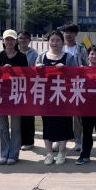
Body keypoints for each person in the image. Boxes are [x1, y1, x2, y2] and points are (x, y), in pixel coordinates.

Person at [35, 30, 77, 165]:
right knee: (47, 124)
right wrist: (37, 68)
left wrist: (66, 69)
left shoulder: (69, 57)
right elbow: (33, 76)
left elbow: (76, 75)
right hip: (46, 97)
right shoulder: (41, 57)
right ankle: (49, 153)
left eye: (58, 40)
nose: (54, 43)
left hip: (63, 96)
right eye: (52, 40)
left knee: (64, 123)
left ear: (62, 42)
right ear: (48, 42)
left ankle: (61, 153)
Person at [0, 29, 28, 165]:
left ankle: (14, 154)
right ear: (3, 41)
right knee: (3, 126)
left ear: (16, 41)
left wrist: (13, 71)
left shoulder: (22, 57)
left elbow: (26, 76)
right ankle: (4, 153)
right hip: (0, 95)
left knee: (15, 127)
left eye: (12, 39)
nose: (9, 42)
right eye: (7, 39)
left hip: (16, 95)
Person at [76, 45, 96, 166]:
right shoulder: (82, 70)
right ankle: (85, 155)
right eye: (92, 54)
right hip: (86, 107)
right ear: (88, 56)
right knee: (86, 132)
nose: (94, 56)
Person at [61, 23, 89, 152]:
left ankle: (78, 140)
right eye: (66, 32)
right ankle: (61, 139)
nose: (68, 34)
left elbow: (86, 66)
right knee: (63, 114)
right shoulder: (59, 47)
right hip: (61, 85)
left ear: (76, 34)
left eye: (71, 32)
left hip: (77, 85)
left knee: (77, 115)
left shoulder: (81, 49)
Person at [17, 30, 38, 151]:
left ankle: (29, 141)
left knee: (28, 115)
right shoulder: (14, 52)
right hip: (16, 87)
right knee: (18, 115)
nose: (23, 40)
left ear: (29, 40)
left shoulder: (33, 54)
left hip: (29, 87)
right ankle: (19, 139)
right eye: (20, 38)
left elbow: (35, 69)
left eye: (25, 38)